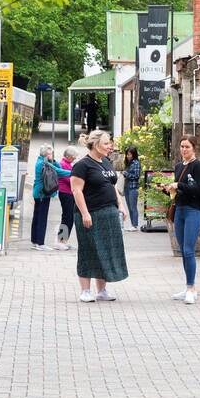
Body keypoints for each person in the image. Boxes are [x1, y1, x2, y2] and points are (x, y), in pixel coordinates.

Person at [70, 129, 128, 302]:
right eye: (106, 143)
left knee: (105, 251)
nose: (110, 146)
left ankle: (102, 291)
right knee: (89, 251)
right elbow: (76, 190)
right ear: (95, 145)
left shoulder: (106, 162)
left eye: (109, 143)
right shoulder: (82, 165)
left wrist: (120, 205)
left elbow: (112, 186)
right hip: (91, 214)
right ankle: (85, 291)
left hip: (108, 213)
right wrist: (85, 213)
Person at [165, 135, 200, 305]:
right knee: (183, 250)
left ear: (194, 148)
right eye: (182, 146)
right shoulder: (178, 167)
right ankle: (190, 287)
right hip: (180, 210)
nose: (184, 150)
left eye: (187, 147)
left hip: (193, 211)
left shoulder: (198, 166)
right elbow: (180, 191)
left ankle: (190, 288)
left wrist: (179, 185)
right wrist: (168, 189)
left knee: (189, 250)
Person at [31, 143, 72, 250]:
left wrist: (53, 160)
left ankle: (35, 241)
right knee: (42, 218)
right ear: (46, 154)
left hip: (38, 193)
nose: (51, 155)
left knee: (37, 216)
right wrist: (73, 172)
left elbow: (57, 166)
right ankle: (40, 243)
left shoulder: (40, 161)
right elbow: (58, 171)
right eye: (50, 153)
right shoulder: (44, 163)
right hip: (42, 193)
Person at [54, 147, 78, 249]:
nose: (74, 159)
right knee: (67, 217)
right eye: (73, 157)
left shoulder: (68, 164)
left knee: (70, 217)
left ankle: (64, 240)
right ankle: (60, 240)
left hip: (69, 193)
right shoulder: (63, 164)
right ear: (68, 156)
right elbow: (69, 180)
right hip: (65, 193)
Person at [122, 147, 142, 231]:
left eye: (129, 154)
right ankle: (132, 225)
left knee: (133, 207)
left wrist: (126, 173)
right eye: (127, 154)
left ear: (134, 154)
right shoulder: (129, 163)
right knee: (129, 207)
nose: (128, 156)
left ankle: (135, 225)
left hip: (133, 188)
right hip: (127, 188)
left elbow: (136, 176)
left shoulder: (136, 163)